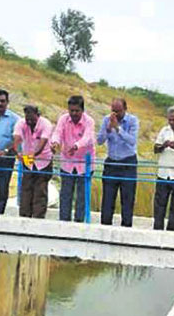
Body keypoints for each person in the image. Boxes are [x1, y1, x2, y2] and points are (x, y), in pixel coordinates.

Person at [51, 95, 95, 222]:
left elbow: (87, 138)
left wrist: (76, 146)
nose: (74, 113)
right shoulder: (63, 119)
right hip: (67, 162)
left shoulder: (89, 121)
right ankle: (64, 222)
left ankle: (79, 223)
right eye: (71, 111)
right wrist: (55, 142)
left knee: (82, 196)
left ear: (82, 110)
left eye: (77, 111)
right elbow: (57, 133)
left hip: (84, 163)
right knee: (65, 194)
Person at [96, 98, 139, 227]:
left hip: (128, 162)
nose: (115, 114)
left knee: (127, 198)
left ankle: (126, 228)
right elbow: (99, 141)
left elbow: (132, 140)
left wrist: (118, 129)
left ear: (125, 109)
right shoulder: (106, 120)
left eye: (118, 111)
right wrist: (108, 129)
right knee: (108, 198)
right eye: (113, 110)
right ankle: (105, 227)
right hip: (111, 163)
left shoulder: (133, 121)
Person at [13, 105, 54, 218]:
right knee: (26, 189)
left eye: (32, 119)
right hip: (28, 160)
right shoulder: (21, 123)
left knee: (40, 191)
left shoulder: (46, 124)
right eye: (28, 119)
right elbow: (16, 139)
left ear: (38, 115)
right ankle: (24, 217)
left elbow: (42, 144)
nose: (30, 122)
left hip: (44, 160)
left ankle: (38, 219)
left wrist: (32, 155)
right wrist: (18, 152)